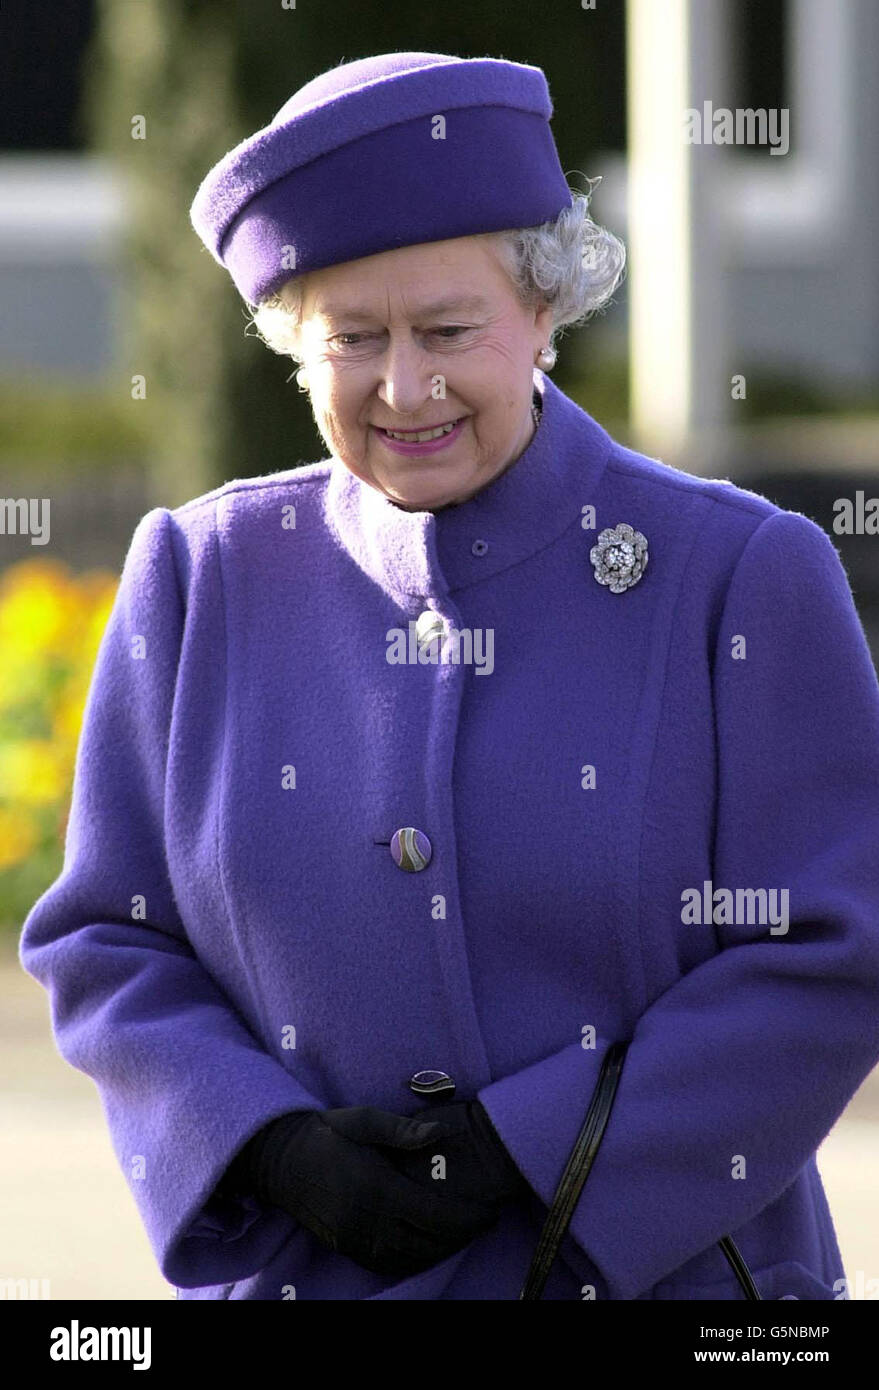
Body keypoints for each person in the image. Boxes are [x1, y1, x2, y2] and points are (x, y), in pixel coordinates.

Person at [19, 51, 879, 1302]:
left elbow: (834, 941)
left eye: (449, 330)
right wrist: (268, 1147)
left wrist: (540, 1152)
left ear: (545, 310)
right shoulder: (198, 579)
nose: (404, 387)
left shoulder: (740, 576)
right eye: (350, 340)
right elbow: (107, 937)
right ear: (289, 348)